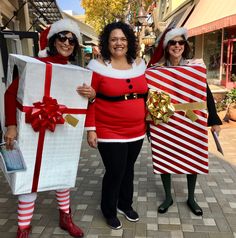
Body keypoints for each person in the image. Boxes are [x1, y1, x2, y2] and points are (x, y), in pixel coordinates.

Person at [4, 18, 95, 238]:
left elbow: (80, 107)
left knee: (62, 172)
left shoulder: (78, 73)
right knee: (29, 178)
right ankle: (23, 227)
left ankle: (66, 218)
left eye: (72, 40)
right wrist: (11, 126)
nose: (67, 43)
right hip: (32, 131)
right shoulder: (34, 66)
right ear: (54, 40)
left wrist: (92, 96)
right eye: (62, 38)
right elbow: (10, 94)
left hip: (62, 132)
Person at [149, 27, 222, 216]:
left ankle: (191, 197)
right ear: (166, 46)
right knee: (164, 155)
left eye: (181, 42)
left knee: (193, 155)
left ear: (185, 45)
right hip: (164, 120)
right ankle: (167, 196)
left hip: (191, 120)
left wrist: (214, 119)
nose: (177, 46)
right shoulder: (156, 70)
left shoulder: (195, 66)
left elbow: (205, 93)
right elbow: (147, 96)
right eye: (172, 42)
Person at [85, 21, 148, 229]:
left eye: (123, 39)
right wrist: (91, 129)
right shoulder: (97, 67)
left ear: (129, 41)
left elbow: (148, 94)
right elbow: (88, 99)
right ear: (107, 42)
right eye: (114, 39)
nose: (118, 43)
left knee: (128, 169)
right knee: (115, 171)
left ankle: (125, 204)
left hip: (137, 130)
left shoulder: (139, 64)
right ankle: (109, 209)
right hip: (109, 130)